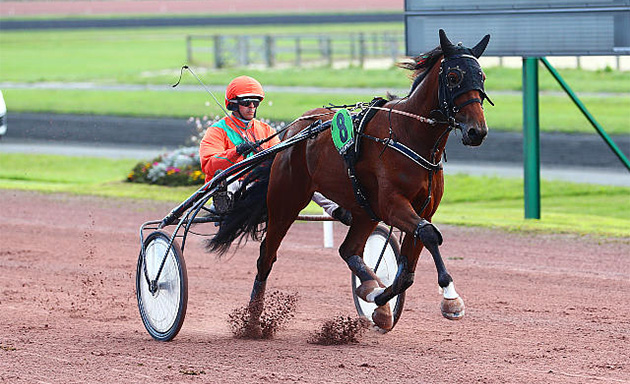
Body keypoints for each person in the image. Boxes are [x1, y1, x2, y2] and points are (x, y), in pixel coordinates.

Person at [199, 75, 352, 225]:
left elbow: (282, 160)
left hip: (260, 184)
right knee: (226, 178)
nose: (252, 107)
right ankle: (224, 205)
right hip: (236, 183)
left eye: (256, 103)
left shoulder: (265, 129)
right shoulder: (217, 131)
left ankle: (338, 210)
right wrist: (237, 151)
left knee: (303, 178)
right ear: (233, 104)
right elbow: (209, 164)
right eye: (247, 103)